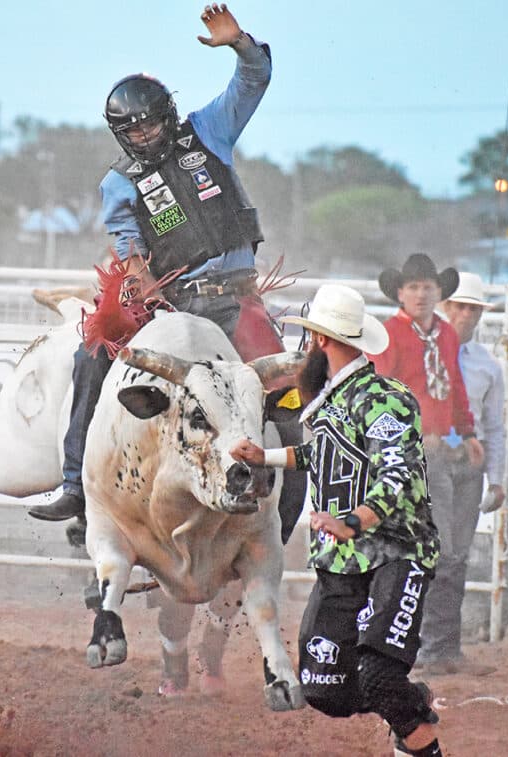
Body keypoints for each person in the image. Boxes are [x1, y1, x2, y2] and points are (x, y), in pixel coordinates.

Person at [29, 4, 305, 545]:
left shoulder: (209, 132)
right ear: (120, 135)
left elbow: (255, 79)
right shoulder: (119, 183)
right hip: (173, 301)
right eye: (133, 130)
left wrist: (239, 44)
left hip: (234, 298)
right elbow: (127, 244)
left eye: (152, 122)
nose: (146, 135)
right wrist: (141, 286)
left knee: (288, 393)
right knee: (94, 355)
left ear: (169, 115)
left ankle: (281, 512)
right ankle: (76, 485)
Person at [230, 284, 443, 757]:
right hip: (344, 559)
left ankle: (414, 730)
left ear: (319, 340)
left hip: (395, 553)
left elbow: (399, 474)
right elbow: (324, 453)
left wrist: (354, 520)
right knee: (324, 685)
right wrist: (262, 455)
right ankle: (411, 702)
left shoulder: (385, 399)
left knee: (378, 674)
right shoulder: (334, 400)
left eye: (309, 337)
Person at [371, 253, 485, 674]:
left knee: (443, 548)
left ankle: (436, 645)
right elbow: (382, 396)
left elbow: (454, 387)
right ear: (401, 293)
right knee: (426, 548)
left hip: (441, 451)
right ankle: (421, 645)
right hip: (411, 454)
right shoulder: (389, 335)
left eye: (428, 287)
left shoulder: (446, 337)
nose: (421, 294)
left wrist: (468, 433)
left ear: (439, 294)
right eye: (414, 287)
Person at [434, 272, 506, 675]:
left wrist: (495, 479)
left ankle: (443, 647)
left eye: (472, 308)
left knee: (456, 554)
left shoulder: (488, 366)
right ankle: (430, 646)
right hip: (432, 456)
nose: (465, 314)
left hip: (467, 463)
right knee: (440, 551)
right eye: (459, 306)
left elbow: (494, 426)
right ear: (446, 308)